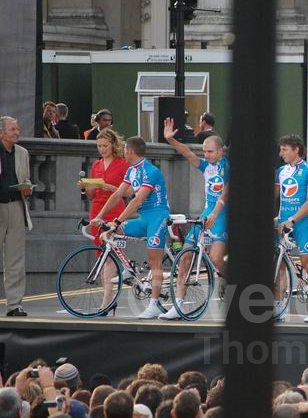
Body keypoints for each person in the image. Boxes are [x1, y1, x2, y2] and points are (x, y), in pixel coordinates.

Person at [93, 136, 170, 319]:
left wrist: (117, 220)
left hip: (158, 216)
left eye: (125, 149)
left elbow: (137, 201)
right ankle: (128, 269)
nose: (123, 152)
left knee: (154, 260)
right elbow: (118, 194)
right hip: (144, 218)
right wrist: (100, 216)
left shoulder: (151, 171)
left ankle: (154, 304)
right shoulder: (131, 171)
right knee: (113, 234)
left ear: (130, 151)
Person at [160, 118, 229, 320]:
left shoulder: (227, 167)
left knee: (216, 258)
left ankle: (227, 275)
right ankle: (178, 305)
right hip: (208, 211)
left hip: (223, 212)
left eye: (210, 152)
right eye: (204, 151)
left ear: (220, 151)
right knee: (185, 256)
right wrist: (171, 140)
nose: (206, 155)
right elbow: (188, 153)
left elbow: (225, 195)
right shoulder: (205, 166)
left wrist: (214, 215)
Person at [0, 116, 33, 316]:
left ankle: (14, 305)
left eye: (17, 129)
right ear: (1, 132)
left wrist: (28, 188)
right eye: (13, 129)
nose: (17, 132)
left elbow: (26, 178)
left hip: (16, 208)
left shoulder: (23, 153)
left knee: (16, 261)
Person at [274, 134, 308, 322]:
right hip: (283, 222)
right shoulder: (281, 171)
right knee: (279, 266)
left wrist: (292, 220)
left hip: (301, 222)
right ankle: (279, 308)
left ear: (296, 150)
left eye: (284, 149)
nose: (280, 153)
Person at [79, 129, 130, 241]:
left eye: (105, 146)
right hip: (97, 208)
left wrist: (113, 188)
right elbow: (91, 196)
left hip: (115, 209)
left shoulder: (123, 164)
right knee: (99, 245)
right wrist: (86, 187)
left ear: (113, 145)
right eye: (99, 146)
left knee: (114, 246)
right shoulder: (96, 164)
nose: (102, 149)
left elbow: (130, 192)